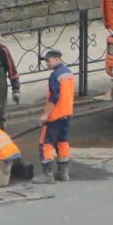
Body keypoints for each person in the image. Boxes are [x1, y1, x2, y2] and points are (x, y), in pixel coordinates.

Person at [35, 49, 75, 184]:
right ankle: (63, 173)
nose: (46, 64)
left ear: (57, 59)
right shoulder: (68, 73)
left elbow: (54, 96)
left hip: (55, 115)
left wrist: (46, 114)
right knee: (63, 142)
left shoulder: (55, 75)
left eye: (48, 60)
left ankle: (48, 175)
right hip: (67, 113)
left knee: (46, 143)